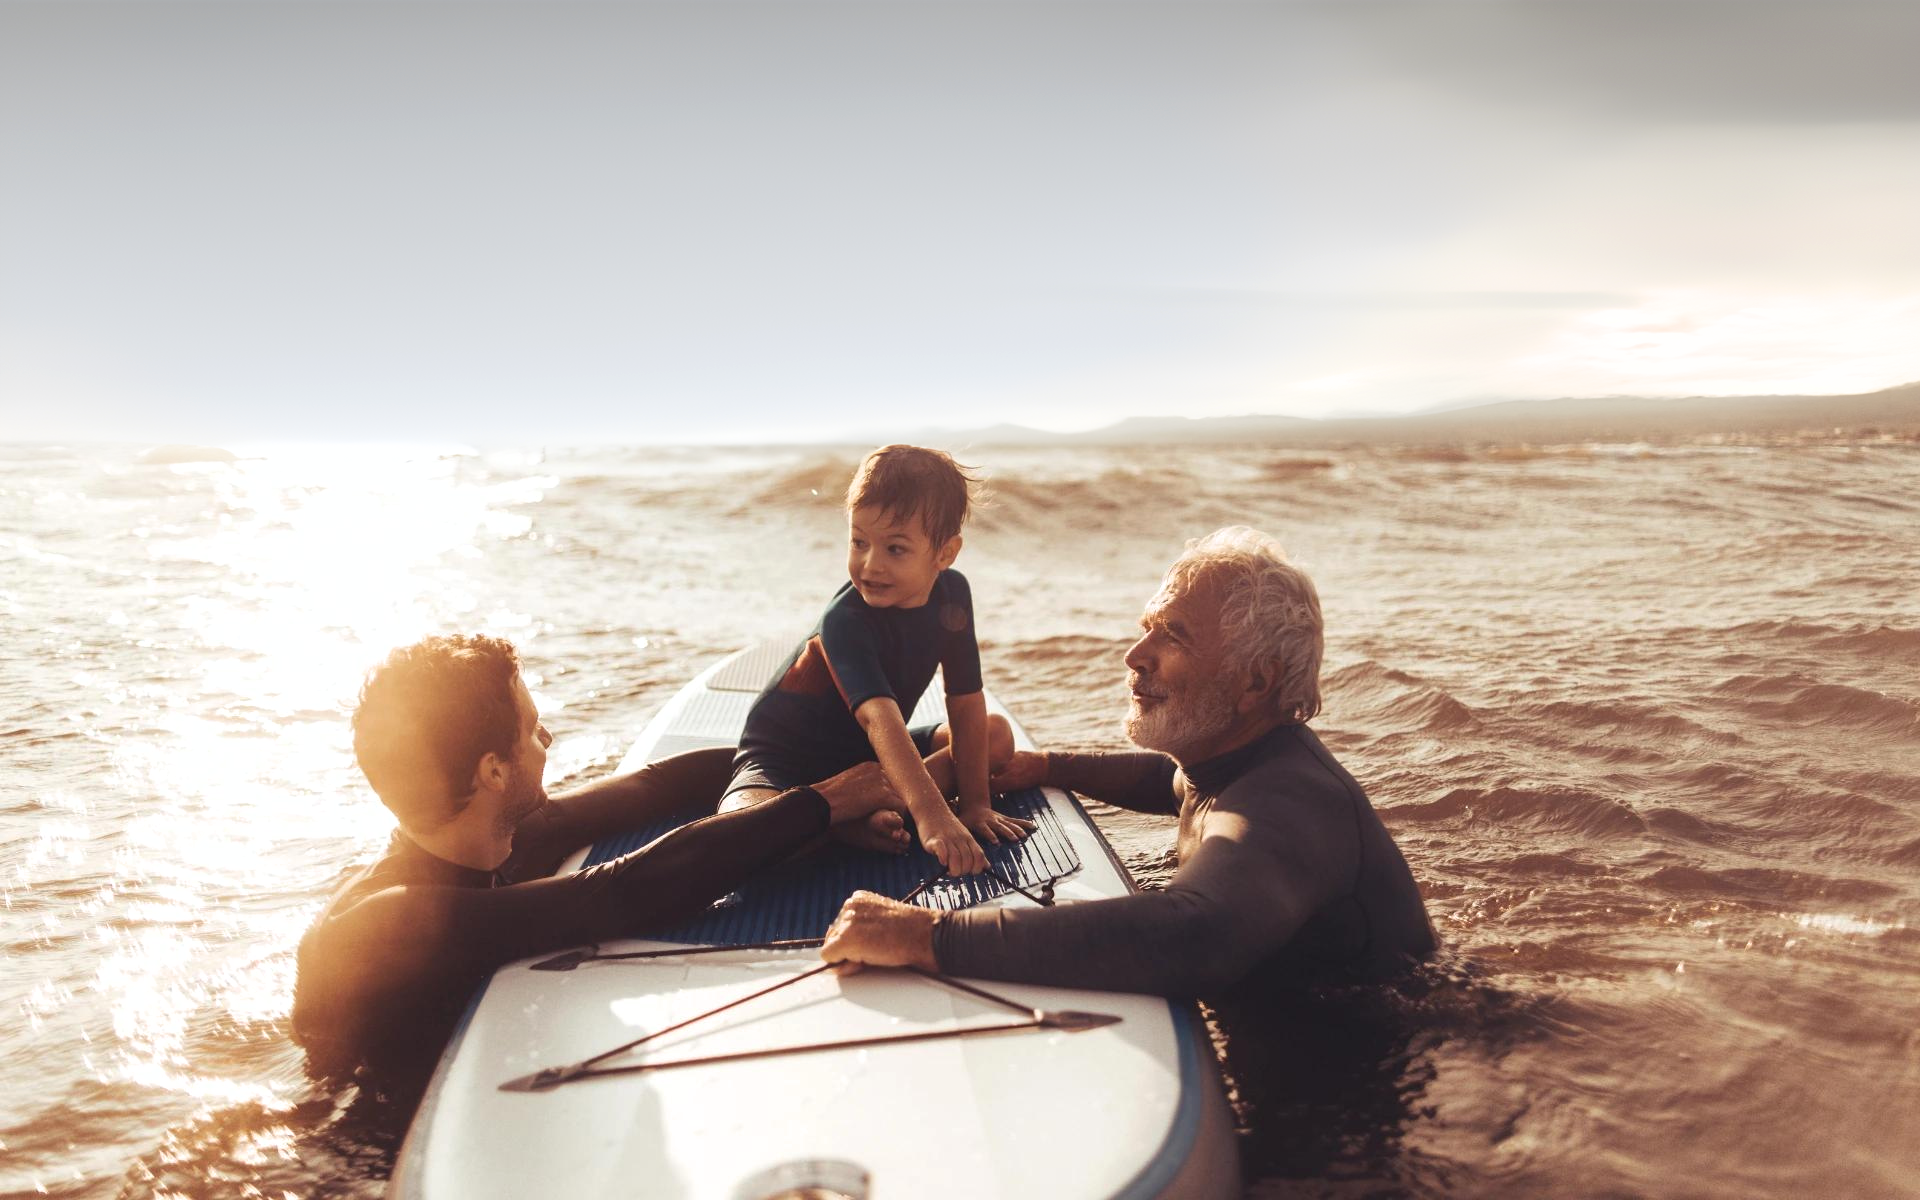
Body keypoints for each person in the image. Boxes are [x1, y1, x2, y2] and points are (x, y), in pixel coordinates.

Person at [821, 526, 1436, 993]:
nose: (1135, 655)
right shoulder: (1243, 765)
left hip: (1368, 1080)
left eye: (1175, 635)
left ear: (1257, 682)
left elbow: (1195, 932)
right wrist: (1050, 767)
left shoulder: (1289, 804)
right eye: (1148, 627)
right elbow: (1172, 785)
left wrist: (927, 936)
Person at [292, 634, 900, 1077]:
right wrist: (822, 803)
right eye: (531, 729)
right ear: (494, 771)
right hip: (358, 1155)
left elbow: (654, 788)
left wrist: (858, 772)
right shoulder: (384, 922)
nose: (546, 739)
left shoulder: (486, 842)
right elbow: (624, 891)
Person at [721, 445, 1030, 877]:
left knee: (994, 734)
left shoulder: (953, 595)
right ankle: (845, 824)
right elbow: (880, 720)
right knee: (740, 834)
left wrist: (976, 805)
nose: (870, 564)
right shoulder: (845, 620)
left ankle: (858, 815)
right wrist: (933, 815)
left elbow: (965, 700)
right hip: (785, 766)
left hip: (871, 762)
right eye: (859, 542)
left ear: (945, 553)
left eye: (895, 549)